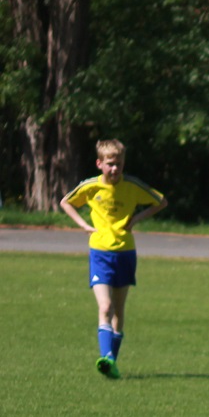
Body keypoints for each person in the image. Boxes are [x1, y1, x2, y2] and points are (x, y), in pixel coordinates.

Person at [57, 140, 167, 379]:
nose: (115, 169)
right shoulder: (91, 187)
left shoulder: (132, 186)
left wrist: (136, 219)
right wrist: (84, 225)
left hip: (125, 253)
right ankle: (106, 357)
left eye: (118, 164)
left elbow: (161, 202)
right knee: (105, 307)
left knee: (118, 310)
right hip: (100, 253)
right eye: (110, 164)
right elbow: (65, 202)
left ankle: (111, 363)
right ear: (100, 164)